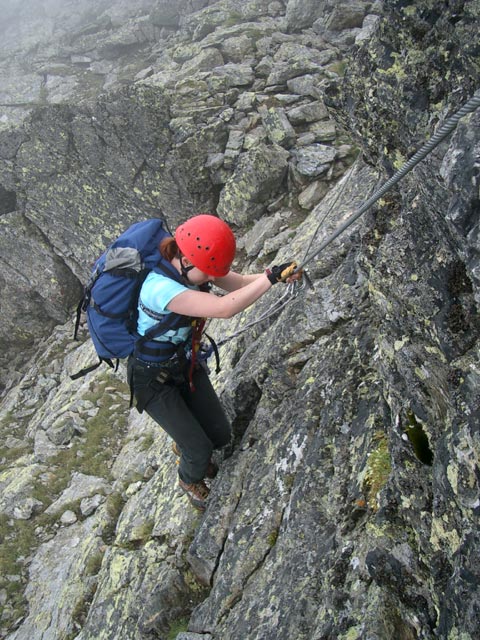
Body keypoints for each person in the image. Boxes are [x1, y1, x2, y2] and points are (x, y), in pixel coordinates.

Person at [127, 213, 300, 511]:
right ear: (184, 258)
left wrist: (276, 273)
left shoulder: (196, 266)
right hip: (151, 379)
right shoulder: (161, 289)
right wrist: (269, 280)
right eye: (207, 273)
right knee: (199, 449)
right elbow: (222, 308)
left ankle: (186, 445)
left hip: (184, 365)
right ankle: (188, 480)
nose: (211, 278)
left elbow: (242, 283)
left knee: (220, 435)